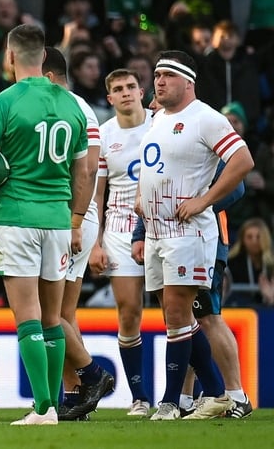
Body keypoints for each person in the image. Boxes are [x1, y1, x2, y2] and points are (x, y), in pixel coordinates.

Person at [0, 24, 94, 426]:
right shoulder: (72, 104)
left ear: (9, 57)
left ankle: (44, 407)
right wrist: (76, 218)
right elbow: (85, 171)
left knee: (27, 317)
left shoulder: (6, 101)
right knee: (53, 318)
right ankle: (57, 405)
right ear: (43, 58)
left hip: (17, 218)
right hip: (58, 220)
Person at [132, 50, 254, 421]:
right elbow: (154, 167)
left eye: (168, 74)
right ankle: (216, 393)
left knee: (181, 312)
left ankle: (173, 401)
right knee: (180, 315)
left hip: (188, 232)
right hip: (156, 230)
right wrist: (141, 201)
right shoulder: (156, 119)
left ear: (189, 81)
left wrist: (205, 200)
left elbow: (243, 161)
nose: (159, 81)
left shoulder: (206, 118)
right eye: (156, 75)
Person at [41, 47, 115, 422]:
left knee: (48, 313)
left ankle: (92, 376)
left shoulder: (65, 106)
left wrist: (75, 221)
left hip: (70, 215)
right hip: (78, 215)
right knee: (63, 312)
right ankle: (76, 396)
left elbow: (87, 172)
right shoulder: (83, 108)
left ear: (49, 75)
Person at [87, 68, 154, 417]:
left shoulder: (161, 124)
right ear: (110, 98)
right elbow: (97, 196)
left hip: (161, 226)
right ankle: (140, 397)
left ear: (142, 92)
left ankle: (186, 396)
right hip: (119, 228)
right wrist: (95, 243)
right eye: (117, 89)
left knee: (181, 313)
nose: (126, 92)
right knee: (129, 312)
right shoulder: (103, 135)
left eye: (130, 86)